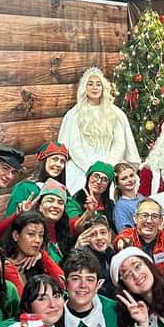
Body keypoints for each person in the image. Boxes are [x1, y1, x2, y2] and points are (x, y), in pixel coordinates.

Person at [57, 67, 140, 195]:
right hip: (82, 165)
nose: (94, 87)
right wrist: (92, 169)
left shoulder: (115, 113)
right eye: (90, 84)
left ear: (103, 87)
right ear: (84, 88)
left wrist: (108, 167)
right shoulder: (74, 114)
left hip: (110, 163)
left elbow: (119, 144)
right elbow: (74, 146)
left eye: (98, 84)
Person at [61, 248, 124, 327]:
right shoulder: (52, 310)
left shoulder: (115, 311)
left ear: (98, 284)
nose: (83, 285)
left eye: (89, 279)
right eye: (75, 278)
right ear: (64, 283)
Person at [114, 197, 164, 280]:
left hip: (162, 283)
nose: (149, 221)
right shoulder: (129, 235)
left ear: (160, 221)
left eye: (154, 216)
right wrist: (122, 243)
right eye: (144, 215)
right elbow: (121, 239)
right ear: (135, 218)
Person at [0, 210, 66, 297]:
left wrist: (43, 256)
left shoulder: (39, 261)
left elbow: (62, 284)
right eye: (31, 234)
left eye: (41, 235)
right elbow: (25, 301)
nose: (37, 240)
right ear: (15, 235)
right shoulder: (6, 266)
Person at [4, 141, 73, 217]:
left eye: (62, 161)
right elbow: (10, 218)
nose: (58, 164)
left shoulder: (63, 191)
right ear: (43, 160)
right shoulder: (24, 187)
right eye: (54, 159)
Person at [72, 214, 115, 298]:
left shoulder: (111, 253)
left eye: (103, 232)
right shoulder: (84, 259)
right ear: (86, 238)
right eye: (93, 234)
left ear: (109, 235)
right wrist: (76, 252)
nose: (99, 237)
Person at [68, 160, 116, 233]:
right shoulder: (73, 201)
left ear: (107, 186)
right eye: (96, 176)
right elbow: (76, 228)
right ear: (88, 178)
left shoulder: (111, 205)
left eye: (104, 179)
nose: (99, 182)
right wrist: (88, 212)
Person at [111, 161, 141, 232]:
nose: (130, 180)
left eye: (131, 175)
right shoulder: (120, 208)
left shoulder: (141, 197)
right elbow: (125, 234)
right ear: (117, 184)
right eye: (124, 178)